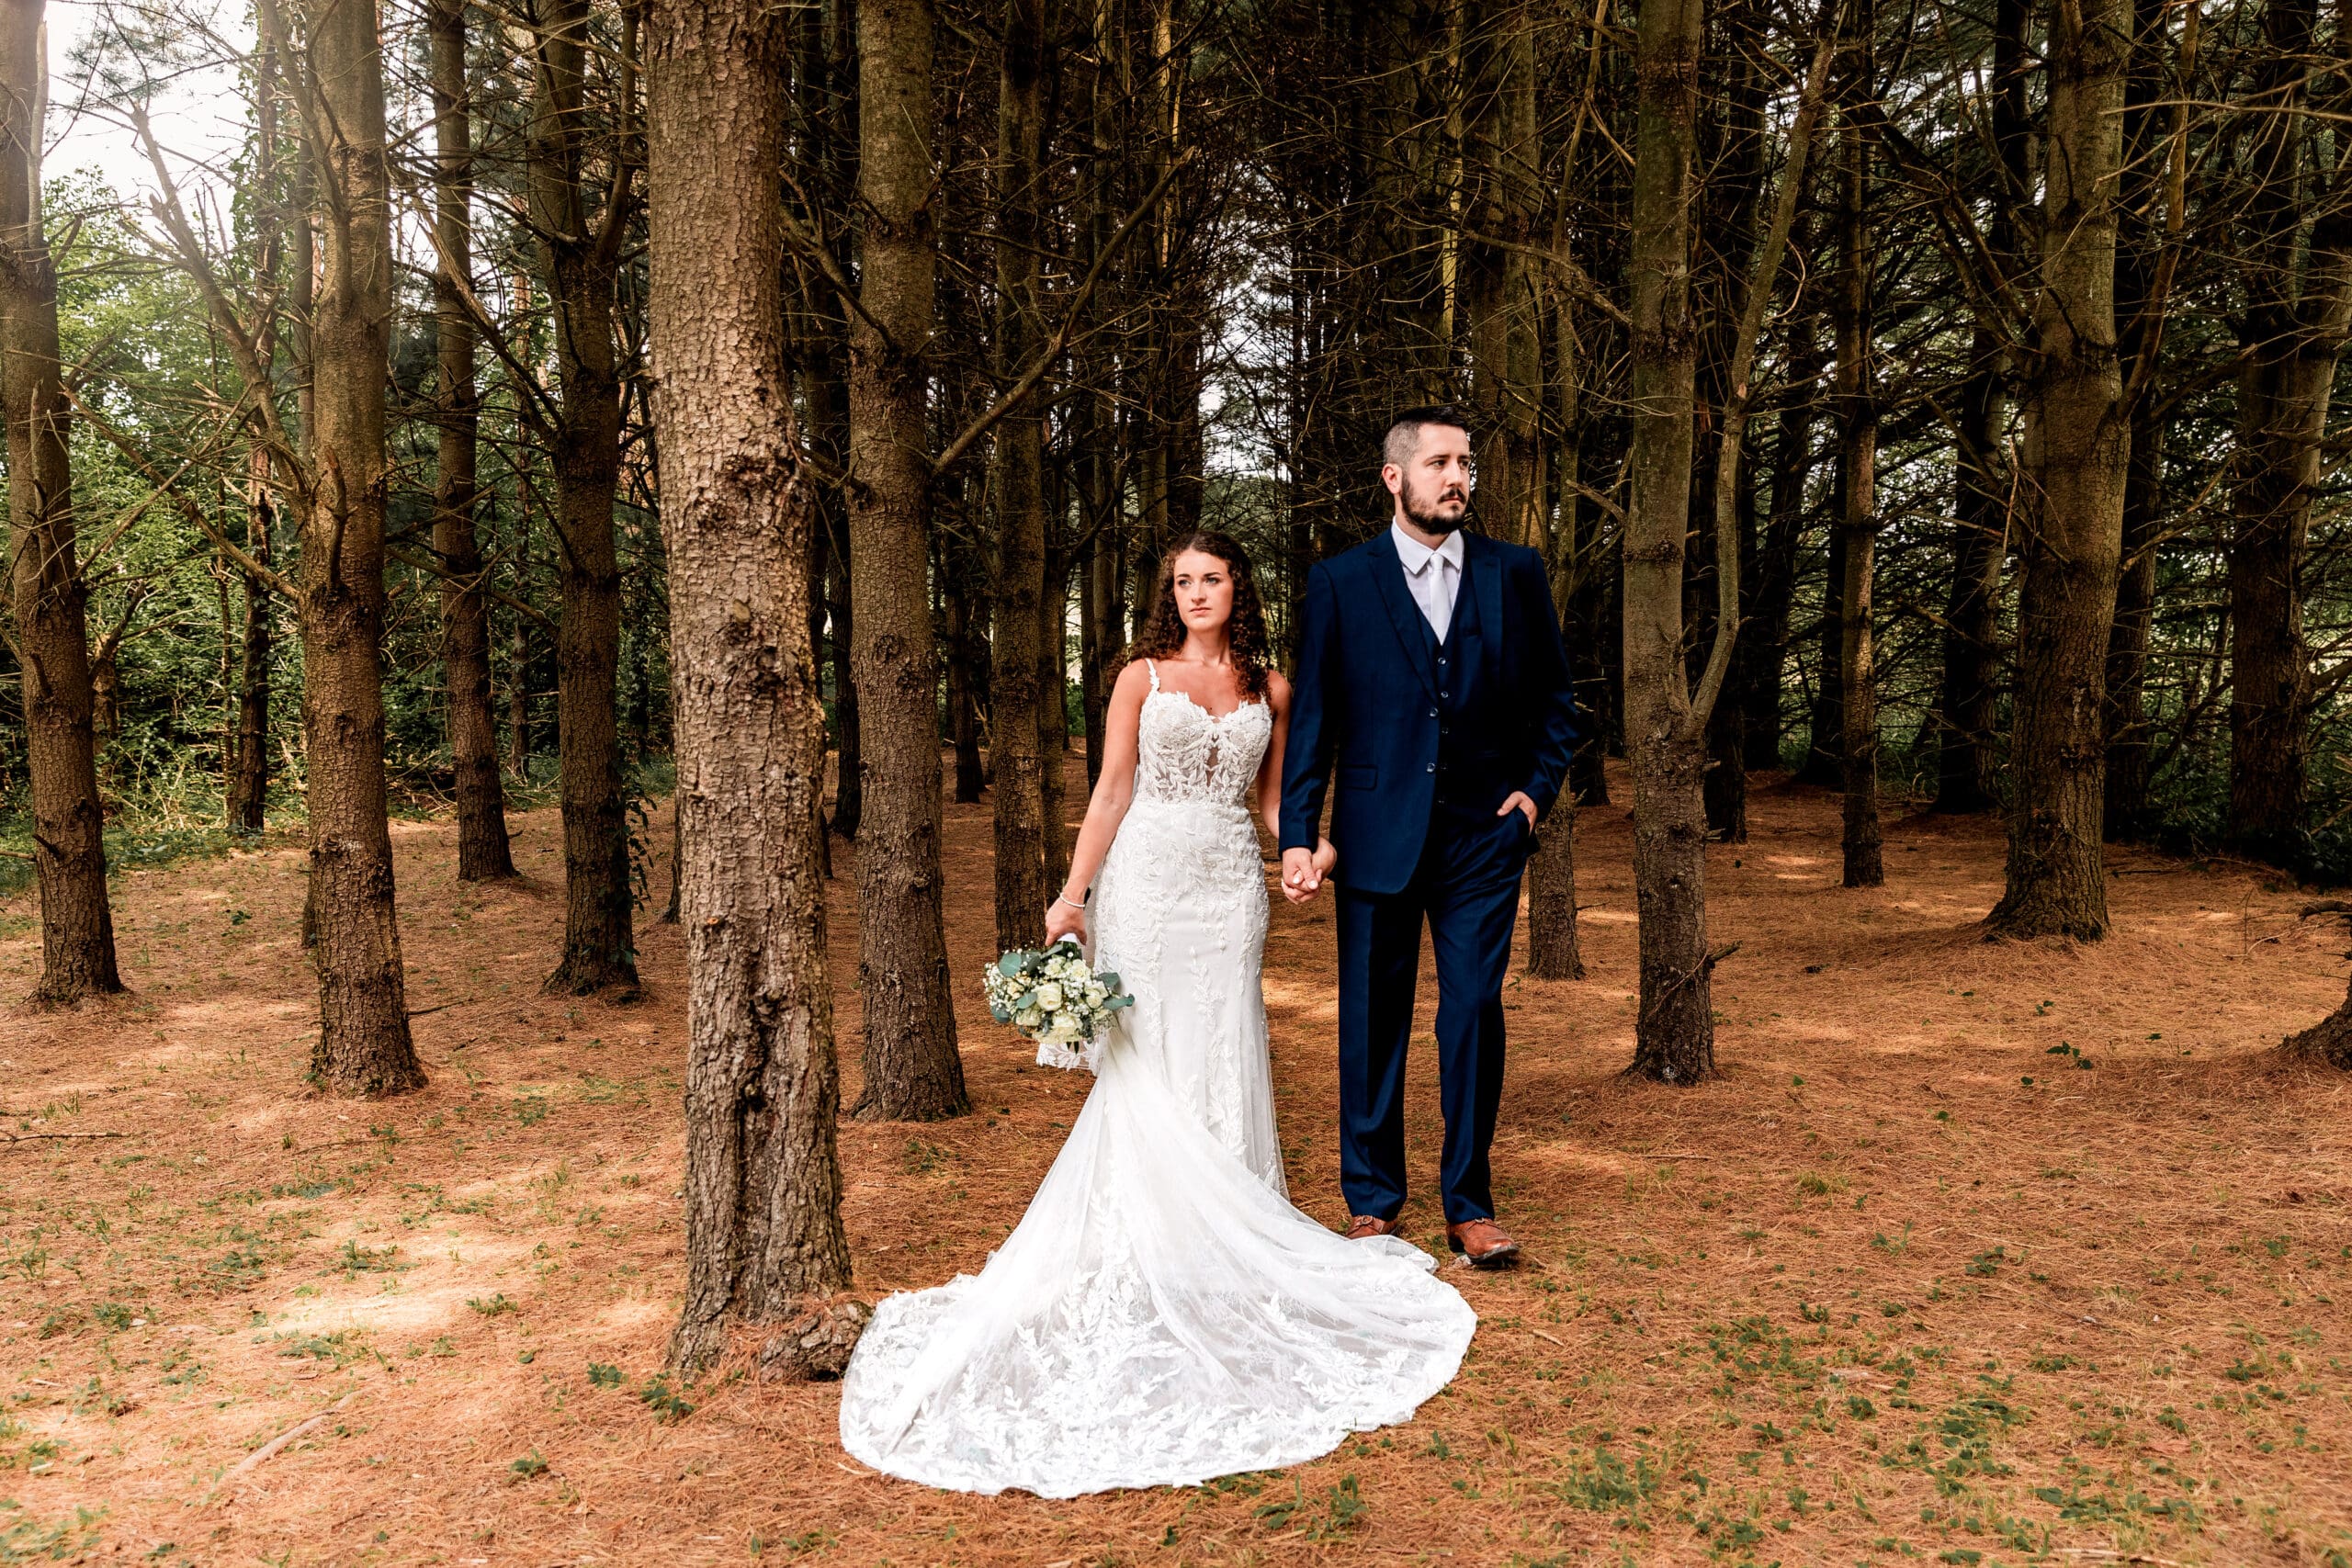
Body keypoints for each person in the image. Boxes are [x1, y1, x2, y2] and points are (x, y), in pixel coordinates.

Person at [838, 531, 1475, 1497]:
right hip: (1147, 881)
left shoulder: (1275, 689)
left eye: (1210, 578)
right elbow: (1112, 790)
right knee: (1149, 1060)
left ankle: (1222, 1247)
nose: (1194, 594)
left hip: (1228, 889)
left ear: (1236, 588)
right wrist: (1071, 895)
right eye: (1180, 582)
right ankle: (1145, 1244)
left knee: (1223, 1048)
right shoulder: (1140, 678)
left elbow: (1274, 805)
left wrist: (1309, 855)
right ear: (1168, 596)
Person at [1279, 406, 1579, 1268]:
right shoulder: (1341, 581)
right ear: (1394, 477)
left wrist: (1532, 796)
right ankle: (1372, 1201)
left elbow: (1556, 704)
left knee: (1474, 1011)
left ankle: (1469, 1201)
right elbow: (1317, 724)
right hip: (1375, 834)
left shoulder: (1514, 573)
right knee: (1372, 1021)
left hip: (1484, 838)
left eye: (1466, 464)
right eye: (1441, 463)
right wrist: (1300, 831)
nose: (1458, 478)